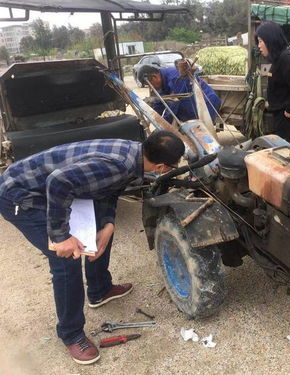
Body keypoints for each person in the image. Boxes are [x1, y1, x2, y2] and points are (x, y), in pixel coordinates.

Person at [0, 130, 185, 364]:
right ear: (161, 168)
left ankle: (99, 290)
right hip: (19, 194)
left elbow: (106, 188)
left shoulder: (133, 153)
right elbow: (57, 182)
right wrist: (61, 237)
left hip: (43, 185)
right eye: (172, 167)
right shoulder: (119, 166)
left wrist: (107, 223)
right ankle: (71, 333)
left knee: (100, 230)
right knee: (67, 258)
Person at [255, 21, 290, 148]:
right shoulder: (277, 59)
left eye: (261, 41)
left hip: (288, 117)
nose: (259, 46)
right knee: (279, 152)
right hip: (280, 114)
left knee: (287, 153)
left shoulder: (286, 59)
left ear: (270, 40)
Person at [138, 64, 221, 125]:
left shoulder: (175, 76)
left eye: (149, 84)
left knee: (201, 134)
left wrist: (164, 126)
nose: (151, 87)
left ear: (154, 77)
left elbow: (173, 102)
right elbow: (160, 102)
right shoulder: (162, 82)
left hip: (206, 104)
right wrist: (150, 117)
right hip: (192, 108)